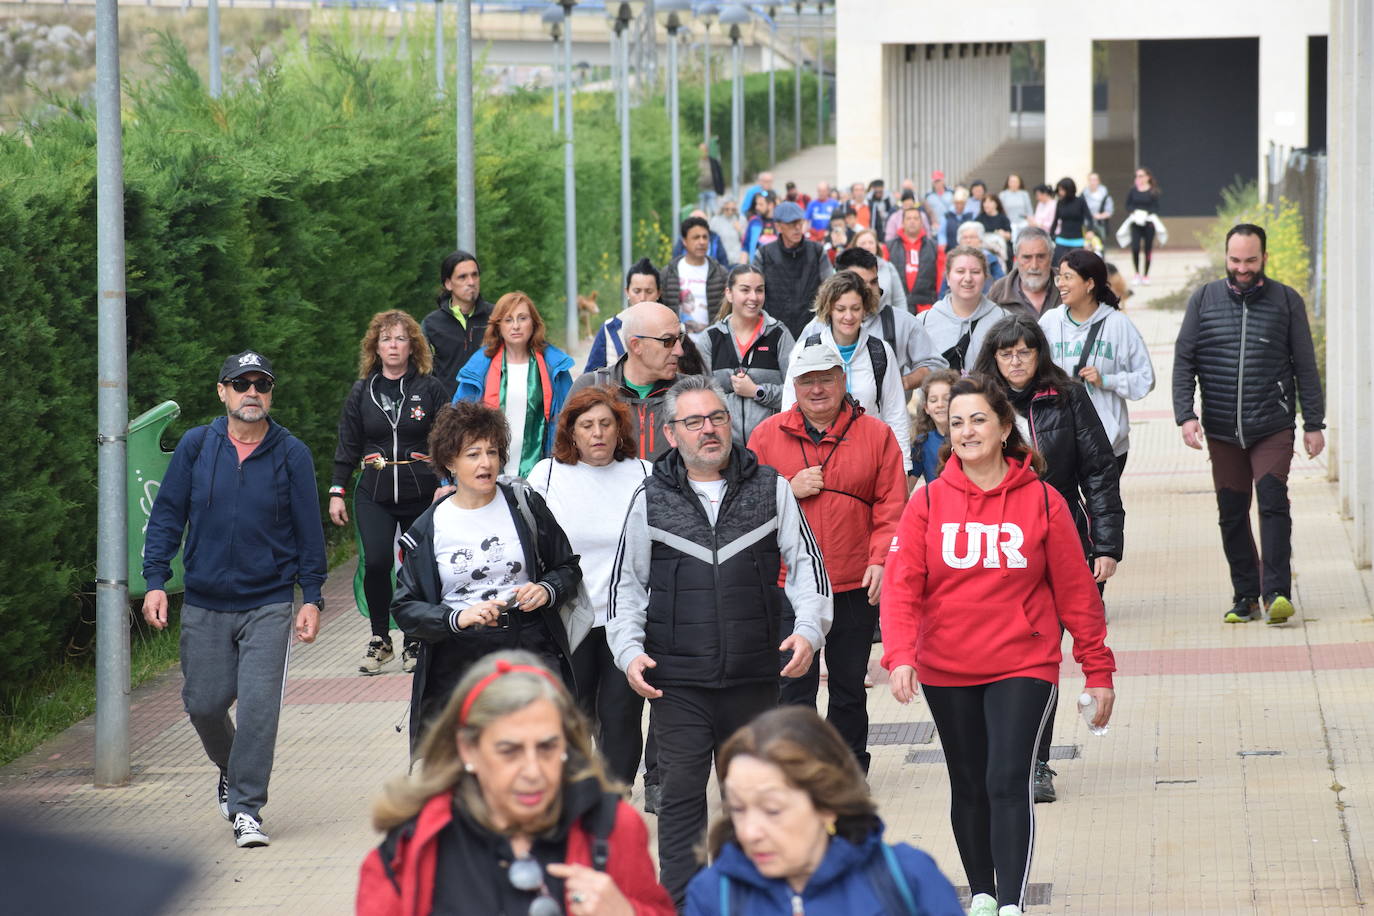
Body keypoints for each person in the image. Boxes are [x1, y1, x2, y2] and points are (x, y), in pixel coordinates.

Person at [881, 374, 1116, 916]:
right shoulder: (929, 502)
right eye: (956, 421)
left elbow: (1077, 592)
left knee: (1006, 778)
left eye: (979, 419)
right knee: (968, 783)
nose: (966, 431)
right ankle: (982, 894)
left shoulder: (1043, 500)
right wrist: (900, 656)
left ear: (1005, 426)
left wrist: (1097, 669)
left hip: (1023, 660)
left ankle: (1012, 902)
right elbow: (901, 586)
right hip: (947, 665)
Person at [606, 374, 833, 907]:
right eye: (694, 422)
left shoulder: (771, 487)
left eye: (718, 418)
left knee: (756, 802)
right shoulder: (649, 498)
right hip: (677, 682)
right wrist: (629, 651)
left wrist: (807, 632)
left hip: (756, 679)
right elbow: (625, 585)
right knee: (682, 800)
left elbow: (808, 571)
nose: (709, 430)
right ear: (671, 434)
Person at [141, 350, 326, 849]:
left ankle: (247, 809)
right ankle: (230, 767)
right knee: (203, 704)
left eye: (261, 385)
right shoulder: (197, 447)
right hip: (204, 601)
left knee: (260, 711)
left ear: (270, 394)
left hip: (268, 601)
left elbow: (311, 535)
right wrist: (156, 580)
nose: (252, 393)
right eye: (240, 384)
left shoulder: (291, 454)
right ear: (221, 392)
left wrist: (312, 596)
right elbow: (166, 517)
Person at [357, 651, 674, 916]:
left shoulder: (613, 827)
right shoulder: (415, 845)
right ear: (468, 749)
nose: (533, 771)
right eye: (509, 751)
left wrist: (627, 912)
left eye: (548, 747)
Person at [973, 313, 1123, 803]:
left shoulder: (1066, 396)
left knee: (1041, 656)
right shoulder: (977, 403)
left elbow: (1099, 472)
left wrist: (1105, 545)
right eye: (1006, 353)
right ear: (993, 358)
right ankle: (998, 751)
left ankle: (1036, 761)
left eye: (1025, 352)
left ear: (1040, 355)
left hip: (1059, 540)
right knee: (997, 652)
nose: (1016, 362)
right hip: (994, 548)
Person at [390, 401, 582, 755]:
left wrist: (546, 589)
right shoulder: (429, 527)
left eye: (492, 452)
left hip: (529, 646)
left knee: (541, 754)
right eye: (473, 454)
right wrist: (457, 617)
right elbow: (404, 609)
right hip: (461, 658)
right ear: (450, 462)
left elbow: (568, 567)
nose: (486, 463)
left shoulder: (525, 505)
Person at [748, 345, 907, 772]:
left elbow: (892, 505)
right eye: (806, 381)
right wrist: (786, 487)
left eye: (826, 378)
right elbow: (743, 505)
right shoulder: (766, 435)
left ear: (843, 382)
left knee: (849, 687)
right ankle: (796, 772)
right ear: (793, 387)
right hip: (787, 584)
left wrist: (880, 560)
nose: (816, 388)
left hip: (853, 581)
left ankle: (850, 770)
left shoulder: (876, 434)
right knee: (791, 686)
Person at [1173, 223, 1325, 625]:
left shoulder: (1286, 301)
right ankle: (1245, 595)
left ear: (1265, 259)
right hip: (1222, 426)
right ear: (1226, 256)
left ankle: (1276, 593)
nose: (1242, 269)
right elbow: (1184, 359)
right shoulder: (1204, 300)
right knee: (1231, 512)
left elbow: (1305, 367)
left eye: (1250, 261)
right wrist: (1185, 415)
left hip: (1272, 422)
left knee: (1273, 502)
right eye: (1235, 260)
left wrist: (1314, 422)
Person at [684, 707, 963, 916]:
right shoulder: (713, 895)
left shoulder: (907, 878)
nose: (749, 832)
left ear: (829, 805)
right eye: (737, 809)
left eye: (772, 810)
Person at [528, 389, 654, 789]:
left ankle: (616, 800)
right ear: (571, 433)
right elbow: (531, 546)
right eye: (587, 426)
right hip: (570, 618)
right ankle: (577, 803)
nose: (597, 433)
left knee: (620, 717)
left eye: (605, 424)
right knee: (572, 717)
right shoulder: (548, 476)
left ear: (619, 430)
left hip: (627, 619)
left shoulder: (645, 475)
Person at [331, 310, 449, 676]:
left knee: (416, 566)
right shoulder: (361, 390)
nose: (393, 345)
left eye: (400, 338)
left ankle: (415, 638)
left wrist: (446, 482)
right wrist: (337, 489)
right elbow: (348, 443)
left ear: (413, 346)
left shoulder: (430, 388)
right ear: (375, 347)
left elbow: (447, 438)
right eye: (386, 339)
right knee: (379, 562)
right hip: (375, 492)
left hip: (421, 491)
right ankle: (380, 638)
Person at [782, 272, 911, 472]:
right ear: (829, 310)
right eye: (841, 309)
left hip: (870, 459)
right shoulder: (805, 349)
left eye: (855, 308)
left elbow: (895, 413)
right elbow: (789, 410)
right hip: (817, 460)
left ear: (865, 309)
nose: (848, 316)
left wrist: (903, 467)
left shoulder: (881, 352)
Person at [1041, 250, 1156, 473]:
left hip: (1107, 443)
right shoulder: (1049, 322)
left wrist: (1106, 380)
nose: (1060, 284)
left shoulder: (1117, 324)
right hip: (1059, 439)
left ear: (1089, 283)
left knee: (1101, 508)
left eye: (1068, 277)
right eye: (1059, 277)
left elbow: (1145, 379)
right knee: (1065, 507)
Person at [453, 292, 575, 478]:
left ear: (533, 323)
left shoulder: (555, 367)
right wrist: (449, 479)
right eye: (508, 320)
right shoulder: (478, 367)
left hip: (544, 473)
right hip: (487, 472)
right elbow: (456, 424)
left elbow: (573, 421)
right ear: (498, 325)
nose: (516, 326)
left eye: (522, 318)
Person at [803, 245, 946, 399]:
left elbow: (936, 366)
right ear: (840, 281)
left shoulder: (902, 322)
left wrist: (902, 383)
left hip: (887, 419)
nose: (870, 289)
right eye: (861, 283)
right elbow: (796, 375)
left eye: (874, 281)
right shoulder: (818, 327)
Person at [695, 264, 796, 444]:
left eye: (759, 290)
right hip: (723, 447)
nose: (753, 297)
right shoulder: (711, 338)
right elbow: (700, 395)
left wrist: (758, 391)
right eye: (745, 290)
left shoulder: (779, 334)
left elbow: (795, 392)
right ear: (729, 293)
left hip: (771, 443)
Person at [571, 301, 684, 460]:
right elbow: (564, 457)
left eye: (680, 338)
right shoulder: (590, 387)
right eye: (668, 341)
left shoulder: (690, 392)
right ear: (636, 345)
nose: (679, 351)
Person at [916, 245, 1012, 373]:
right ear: (948, 278)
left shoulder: (1004, 320)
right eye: (960, 271)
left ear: (985, 277)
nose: (968, 279)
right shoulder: (923, 321)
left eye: (975, 272)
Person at [751, 200, 834, 338]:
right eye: (791, 224)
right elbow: (753, 291)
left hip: (812, 330)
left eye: (800, 223)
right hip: (773, 330)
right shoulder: (764, 254)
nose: (797, 228)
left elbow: (830, 287)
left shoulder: (817, 251)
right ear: (778, 226)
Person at [422, 251, 493, 402]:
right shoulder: (431, 324)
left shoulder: (496, 317)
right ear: (448, 284)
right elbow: (423, 372)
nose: (471, 282)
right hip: (448, 413)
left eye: (475, 275)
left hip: (491, 412)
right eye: (463, 277)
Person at [584, 259, 662, 373]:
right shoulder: (609, 328)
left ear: (659, 293)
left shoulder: (674, 329)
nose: (643, 298)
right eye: (637, 291)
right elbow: (590, 378)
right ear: (627, 292)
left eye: (649, 291)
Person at [663, 215, 730, 332]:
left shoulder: (720, 273)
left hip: (711, 342)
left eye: (705, 237)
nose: (702, 242)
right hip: (679, 342)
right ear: (684, 241)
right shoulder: (669, 273)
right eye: (696, 237)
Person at [988, 226, 1062, 317]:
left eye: (1041, 257)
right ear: (1017, 257)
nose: (1034, 266)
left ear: (1051, 256)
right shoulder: (998, 292)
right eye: (1027, 257)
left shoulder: (1068, 286)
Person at [886, 203, 939, 311]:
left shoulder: (934, 247)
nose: (912, 221)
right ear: (903, 222)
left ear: (921, 222)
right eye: (908, 218)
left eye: (916, 218)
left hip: (926, 306)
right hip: (897, 306)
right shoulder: (889, 246)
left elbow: (940, 279)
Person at [912, 369, 960, 485]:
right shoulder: (921, 443)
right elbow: (906, 490)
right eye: (933, 400)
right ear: (926, 408)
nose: (940, 405)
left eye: (947, 399)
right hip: (936, 502)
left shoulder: (968, 437)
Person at [1122, 167, 1162, 284]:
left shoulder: (1153, 191)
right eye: (1137, 176)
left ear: (1147, 177)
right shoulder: (1133, 191)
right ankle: (1137, 274)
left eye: (1141, 176)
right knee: (1135, 248)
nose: (1138, 178)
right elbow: (1128, 205)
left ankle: (1146, 275)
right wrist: (1135, 212)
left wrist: (1146, 214)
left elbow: (1156, 208)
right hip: (1136, 223)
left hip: (1148, 224)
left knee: (1148, 249)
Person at [850, 228, 904, 311]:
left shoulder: (888, 268)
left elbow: (899, 300)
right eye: (863, 243)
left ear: (876, 246)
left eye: (871, 242)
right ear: (855, 247)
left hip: (886, 320)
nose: (867, 246)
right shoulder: (847, 270)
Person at [1050, 177, 1095, 265]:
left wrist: (1090, 230)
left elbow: (1089, 218)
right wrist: (1051, 236)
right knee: (1058, 265)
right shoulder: (1060, 202)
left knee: (1076, 266)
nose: (1060, 192)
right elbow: (1055, 221)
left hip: (1077, 240)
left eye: (1062, 189)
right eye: (1059, 190)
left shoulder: (1080, 201)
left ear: (1069, 189)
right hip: (1062, 240)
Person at [743, 190, 779, 260]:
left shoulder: (781, 222)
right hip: (757, 268)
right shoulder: (754, 222)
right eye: (757, 204)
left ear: (770, 205)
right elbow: (745, 248)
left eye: (761, 204)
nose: (757, 207)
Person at [711, 197, 746, 266]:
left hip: (737, 260)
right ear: (722, 208)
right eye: (727, 209)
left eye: (733, 209)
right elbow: (711, 239)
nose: (730, 212)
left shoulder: (741, 219)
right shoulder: (715, 221)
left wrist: (740, 230)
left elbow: (746, 240)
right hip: (721, 260)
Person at [1083, 172, 1114, 246]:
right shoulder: (1084, 194)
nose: (1092, 182)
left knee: (1100, 247)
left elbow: (1109, 211)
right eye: (1090, 180)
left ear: (1098, 181)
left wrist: (1100, 216)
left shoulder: (1105, 195)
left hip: (1100, 225)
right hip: (1087, 225)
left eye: (1094, 180)